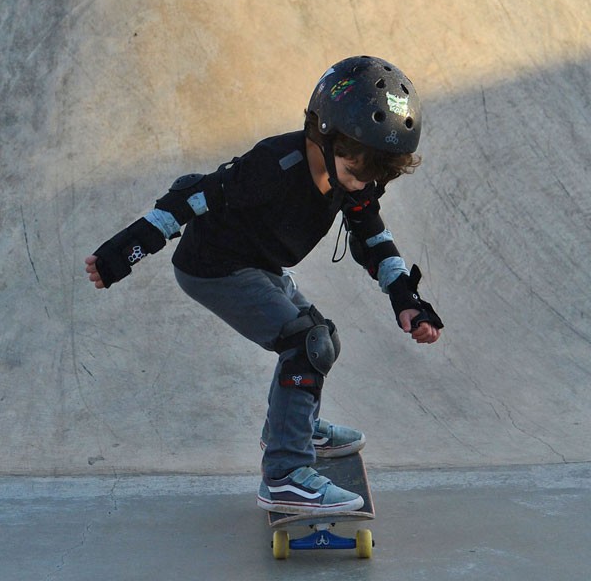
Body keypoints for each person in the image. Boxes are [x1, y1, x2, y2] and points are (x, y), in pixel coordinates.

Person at [84, 56, 444, 514]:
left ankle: (290, 429)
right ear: (324, 135)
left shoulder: (352, 178)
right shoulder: (274, 165)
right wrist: (121, 254)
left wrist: (406, 300)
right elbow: (192, 196)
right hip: (213, 267)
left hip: (259, 266)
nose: (361, 187)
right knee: (305, 345)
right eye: (356, 174)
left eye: (372, 178)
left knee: (324, 339)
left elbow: (373, 239)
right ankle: (285, 474)